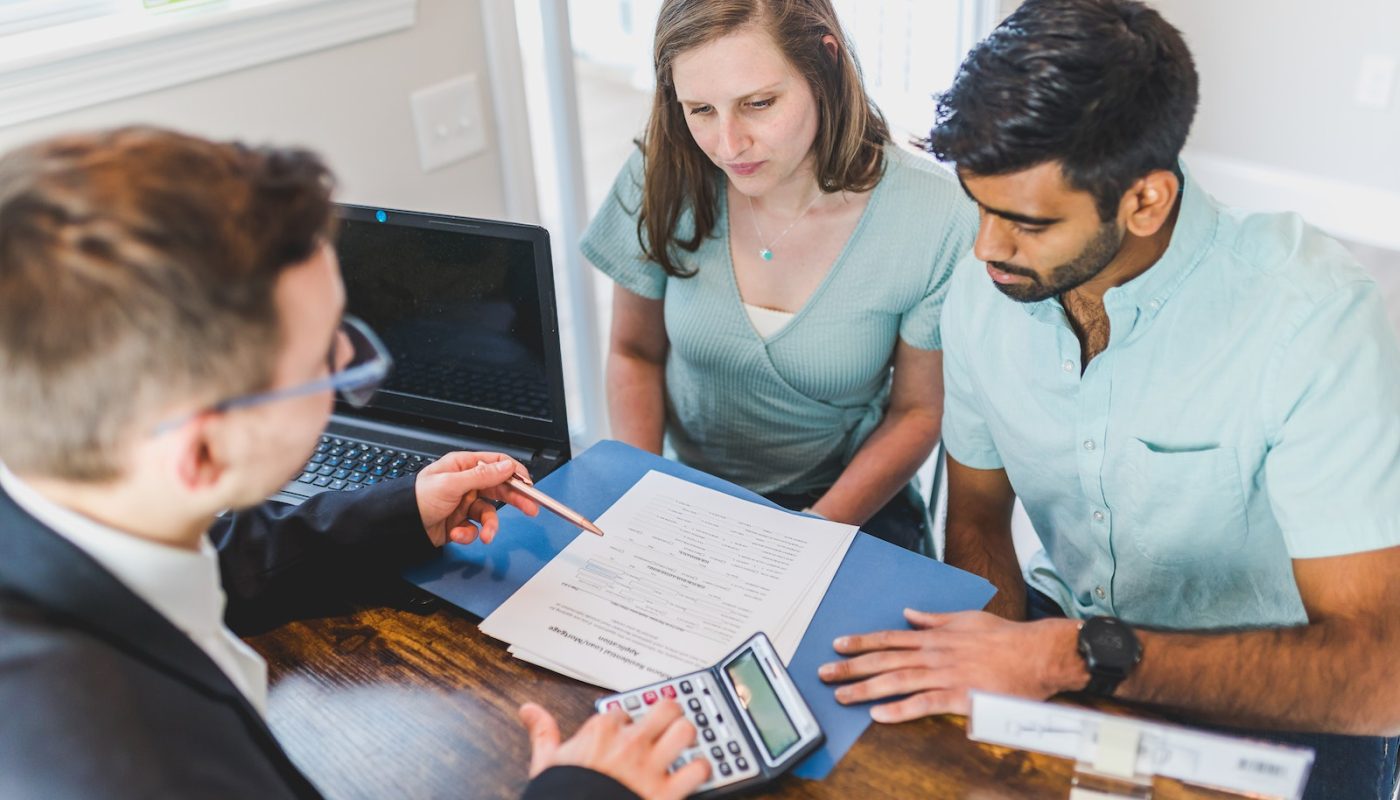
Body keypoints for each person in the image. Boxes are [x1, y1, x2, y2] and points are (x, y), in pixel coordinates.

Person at [0, 127, 708, 800]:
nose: (354, 368)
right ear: (202, 454)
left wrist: (403, 511)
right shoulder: (112, 762)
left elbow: (223, 557)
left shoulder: (74, 509)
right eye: (327, 365)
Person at [815, 1, 1400, 797]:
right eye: (978, 206)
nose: (987, 247)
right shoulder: (987, 290)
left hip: (1277, 686)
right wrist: (987, 668)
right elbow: (979, 514)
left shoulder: (1313, 320)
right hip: (1064, 646)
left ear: (1145, 201)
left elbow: (1379, 679)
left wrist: (1065, 656)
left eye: (1026, 222)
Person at [582, 0, 977, 551]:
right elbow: (634, 353)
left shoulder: (934, 212)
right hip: (682, 492)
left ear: (826, 63)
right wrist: (642, 494)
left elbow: (917, 411)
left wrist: (808, 535)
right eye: (700, 110)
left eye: (759, 103)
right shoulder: (662, 171)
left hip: (843, 502)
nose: (728, 144)